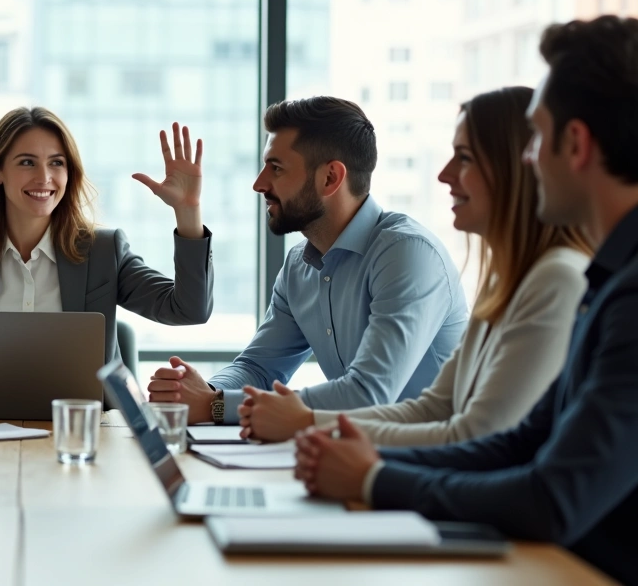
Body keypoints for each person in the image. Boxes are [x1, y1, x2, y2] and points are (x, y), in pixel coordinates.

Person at [293, 16, 638, 585]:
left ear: (575, 144)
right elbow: (520, 443)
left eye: (536, 138)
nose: (529, 160)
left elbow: (552, 496)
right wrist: (354, 457)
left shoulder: (616, 291)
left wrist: (372, 477)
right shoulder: (607, 282)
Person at [237, 87, 592, 444]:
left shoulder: (554, 279)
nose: (443, 175)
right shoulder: (505, 282)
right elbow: (433, 408)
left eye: (464, 158)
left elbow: (472, 436)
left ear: (519, 167)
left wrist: (309, 425)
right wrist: (305, 421)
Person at [149, 96, 468, 425]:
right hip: (360, 447)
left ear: (330, 178)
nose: (259, 184)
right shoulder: (299, 266)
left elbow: (367, 394)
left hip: (434, 451)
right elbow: (258, 368)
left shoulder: (407, 254)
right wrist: (199, 392)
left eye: (276, 168)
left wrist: (216, 405)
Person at [0, 106, 214, 402]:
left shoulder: (104, 251)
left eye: (56, 163)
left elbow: (188, 309)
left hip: (86, 431)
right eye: (27, 162)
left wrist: (188, 211)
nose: (44, 177)